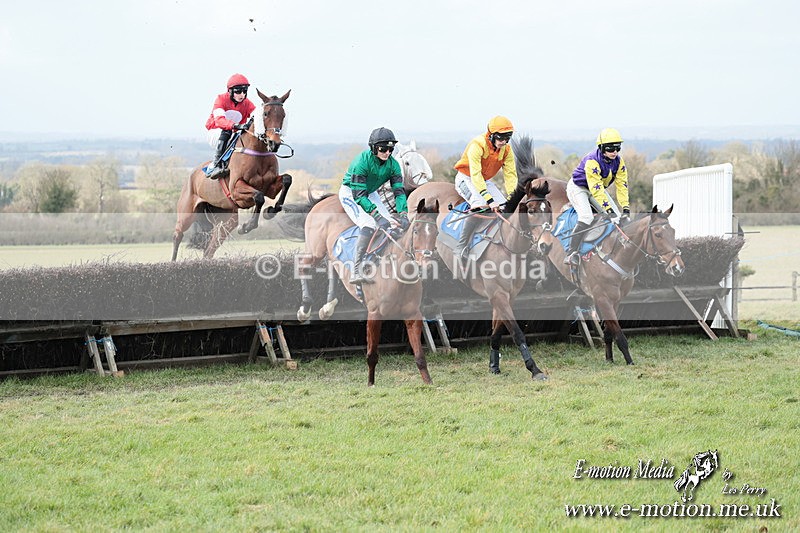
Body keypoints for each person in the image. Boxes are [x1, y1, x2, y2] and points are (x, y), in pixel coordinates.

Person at [339, 127, 410, 284]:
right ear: (373, 147)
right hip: (351, 193)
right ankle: (356, 270)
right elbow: (359, 196)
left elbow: (399, 192)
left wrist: (403, 213)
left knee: (392, 223)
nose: (387, 153)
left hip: (371, 192)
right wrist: (377, 215)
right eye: (383, 149)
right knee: (370, 223)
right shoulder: (361, 163)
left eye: (391, 149)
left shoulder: (394, 164)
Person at [452, 116, 519, 259]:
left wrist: (513, 197)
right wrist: (489, 199)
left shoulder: (507, 150)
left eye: (507, 138)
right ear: (491, 135)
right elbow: (475, 175)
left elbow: (510, 176)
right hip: (466, 177)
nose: (504, 142)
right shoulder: (477, 144)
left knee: (504, 207)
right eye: (501, 138)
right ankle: (461, 246)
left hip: (484, 180)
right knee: (480, 203)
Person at [564, 127, 631, 265]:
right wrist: (608, 210)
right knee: (586, 217)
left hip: (597, 187)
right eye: (610, 149)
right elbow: (596, 190)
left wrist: (625, 207)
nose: (615, 152)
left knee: (618, 218)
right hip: (579, 188)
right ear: (601, 148)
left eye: (618, 148)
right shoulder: (592, 161)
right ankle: (571, 253)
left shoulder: (619, 162)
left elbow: (622, 185)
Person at [204, 74, 256, 179]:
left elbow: (258, 115)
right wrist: (235, 125)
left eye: (244, 91)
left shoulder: (247, 103)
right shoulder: (220, 99)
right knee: (226, 132)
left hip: (234, 132)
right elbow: (219, 121)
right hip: (215, 131)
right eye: (238, 91)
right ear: (230, 91)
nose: (242, 95)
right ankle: (216, 164)